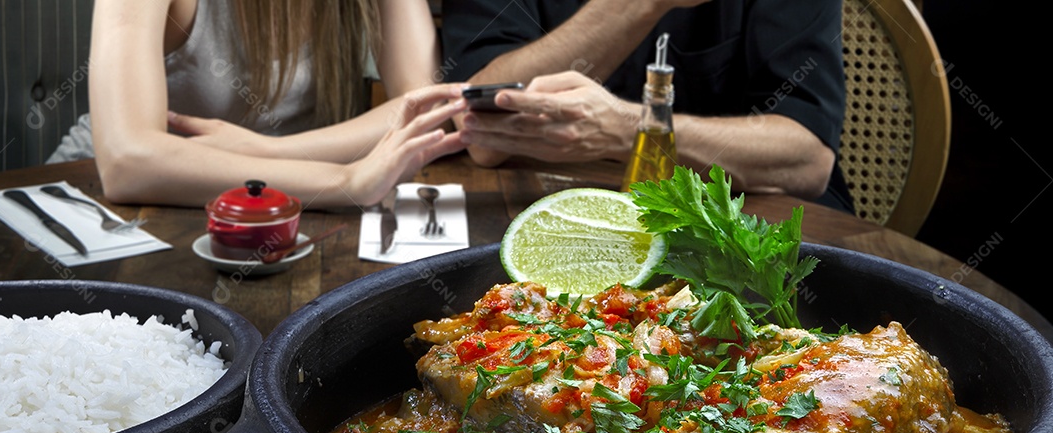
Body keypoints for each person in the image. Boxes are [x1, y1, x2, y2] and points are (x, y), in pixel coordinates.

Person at [48, 0, 467, 210]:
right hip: (110, 206)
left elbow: (425, 109)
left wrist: (266, 150)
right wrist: (344, 180)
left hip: (279, 206)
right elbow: (128, 161)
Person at [441, 0, 854, 212]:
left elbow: (806, 158)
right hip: (557, 219)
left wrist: (632, 129)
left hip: (748, 233)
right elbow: (480, 125)